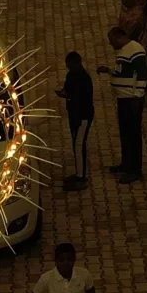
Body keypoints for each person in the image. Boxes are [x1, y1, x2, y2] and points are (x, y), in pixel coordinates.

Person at [108, 24, 147, 182]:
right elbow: (123, 71)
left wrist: (138, 96)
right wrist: (110, 71)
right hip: (124, 98)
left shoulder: (135, 49)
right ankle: (126, 164)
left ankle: (135, 169)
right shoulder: (123, 51)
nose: (111, 44)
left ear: (120, 37)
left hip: (132, 99)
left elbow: (142, 74)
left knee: (133, 134)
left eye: (112, 40)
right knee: (125, 133)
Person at [56, 51, 95, 189]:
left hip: (82, 116)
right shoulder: (74, 76)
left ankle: (81, 177)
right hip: (75, 115)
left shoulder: (82, 78)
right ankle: (79, 173)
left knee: (79, 145)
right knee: (76, 144)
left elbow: (81, 99)